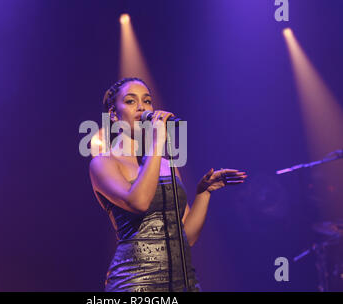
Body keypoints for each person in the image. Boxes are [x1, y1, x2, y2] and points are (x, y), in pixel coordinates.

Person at [89, 77, 247, 292]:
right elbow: (139, 202)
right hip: (135, 282)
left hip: (182, 281)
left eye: (147, 101)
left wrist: (204, 193)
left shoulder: (166, 164)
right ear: (114, 115)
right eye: (130, 101)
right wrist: (156, 141)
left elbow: (187, 238)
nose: (142, 107)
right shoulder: (103, 163)